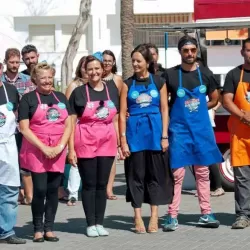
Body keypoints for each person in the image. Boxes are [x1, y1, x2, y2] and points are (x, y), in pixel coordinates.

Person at [162, 35, 223, 231]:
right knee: (177, 174)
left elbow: (215, 99)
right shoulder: (170, 75)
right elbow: (163, 104)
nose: (190, 54)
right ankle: (172, 215)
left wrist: (200, 105)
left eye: (193, 50)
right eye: (186, 50)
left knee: (203, 172)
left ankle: (206, 213)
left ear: (197, 51)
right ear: (180, 52)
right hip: (179, 130)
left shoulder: (206, 73)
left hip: (201, 130)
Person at [120, 44, 173, 234]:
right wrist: (123, 140)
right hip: (135, 135)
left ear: (147, 62)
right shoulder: (127, 84)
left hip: (155, 134)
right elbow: (122, 114)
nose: (134, 64)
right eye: (133, 60)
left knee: (155, 176)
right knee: (135, 177)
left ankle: (154, 216)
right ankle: (137, 216)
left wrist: (165, 136)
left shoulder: (159, 81)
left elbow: (165, 109)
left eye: (138, 61)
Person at [18, 62, 72, 242]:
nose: (47, 81)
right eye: (43, 78)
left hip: (58, 150)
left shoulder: (61, 98)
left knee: (53, 190)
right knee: (39, 190)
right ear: (35, 80)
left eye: (50, 77)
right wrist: (45, 148)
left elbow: (68, 124)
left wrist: (60, 146)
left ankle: (49, 228)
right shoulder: (28, 99)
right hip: (37, 150)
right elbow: (24, 128)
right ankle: (37, 228)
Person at [68, 54, 120, 237]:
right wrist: (71, 149)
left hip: (107, 140)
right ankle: (90, 223)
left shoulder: (112, 90)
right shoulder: (79, 92)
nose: (94, 72)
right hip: (85, 141)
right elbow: (71, 122)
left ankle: (100, 222)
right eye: (90, 69)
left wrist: (120, 143)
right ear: (85, 71)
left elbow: (115, 118)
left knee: (101, 184)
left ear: (103, 69)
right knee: (89, 184)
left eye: (97, 68)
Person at [1, 48, 36, 205]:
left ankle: (28, 194)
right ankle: (15, 191)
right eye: (11, 62)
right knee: (8, 162)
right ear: (5, 63)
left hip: (23, 126)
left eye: (17, 62)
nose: (14, 65)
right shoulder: (2, 81)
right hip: (5, 130)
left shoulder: (27, 79)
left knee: (24, 160)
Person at [223, 37, 250, 229]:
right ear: (242, 52)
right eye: (248, 50)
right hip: (240, 136)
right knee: (242, 179)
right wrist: (243, 116)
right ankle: (243, 215)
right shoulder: (234, 74)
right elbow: (226, 100)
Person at [0, 60, 26, 245]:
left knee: (9, 191)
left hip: (8, 145)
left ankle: (6, 231)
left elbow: (19, 117)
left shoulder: (10, 90)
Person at [64, 56, 88, 206]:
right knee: (75, 161)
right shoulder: (73, 86)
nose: (87, 71)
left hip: (92, 128)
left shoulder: (99, 85)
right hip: (77, 125)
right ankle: (72, 193)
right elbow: (67, 111)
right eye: (85, 67)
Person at [102, 50, 124, 200]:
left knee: (111, 157)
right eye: (105, 60)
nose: (107, 63)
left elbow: (122, 101)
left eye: (110, 60)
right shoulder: (94, 78)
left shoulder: (117, 80)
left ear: (114, 62)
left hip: (113, 121)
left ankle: (109, 189)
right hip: (96, 122)